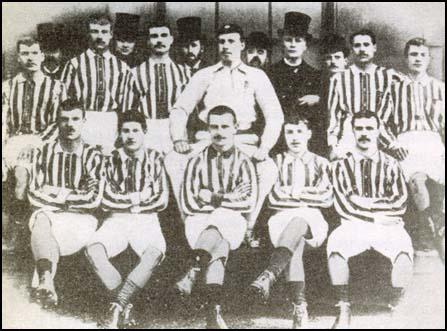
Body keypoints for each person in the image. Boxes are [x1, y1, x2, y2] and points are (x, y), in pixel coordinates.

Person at [166, 23, 283, 236]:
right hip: (209, 139)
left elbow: (275, 115)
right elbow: (180, 109)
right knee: (173, 160)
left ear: (242, 45)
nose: (226, 46)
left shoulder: (256, 75)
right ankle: (190, 224)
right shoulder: (205, 74)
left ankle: (248, 226)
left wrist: (265, 147)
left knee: (268, 170)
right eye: (222, 41)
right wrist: (178, 139)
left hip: (243, 141)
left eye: (231, 41)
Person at [175, 105, 257, 328]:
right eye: (214, 126)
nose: (219, 132)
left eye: (225, 126)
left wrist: (212, 197)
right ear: (208, 129)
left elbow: (248, 201)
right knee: (218, 247)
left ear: (235, 128)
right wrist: (228, 199)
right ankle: (214, 313)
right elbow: (189, 202)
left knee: (221, 219)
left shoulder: (244, 161)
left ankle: (193, 269)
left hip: (232, 221)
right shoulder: (196, 161)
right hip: (199, 221)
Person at [328, 111, 412, 329]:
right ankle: (344, 308)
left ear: (377, 131)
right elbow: (344, 206)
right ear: (353, 131)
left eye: (369, 128)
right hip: (353, 225)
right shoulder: (341, 165)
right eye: (359, 128)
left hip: (388, 226)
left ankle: (396, 309)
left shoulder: (392, 164)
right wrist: (380, 206)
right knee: (336, 247)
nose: (364, 133)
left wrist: (365, 204)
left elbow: (400, 202)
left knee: (403, 253)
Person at [85, 110, 169, 328]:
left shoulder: (156, 158)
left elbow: (161, 200)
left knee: (154, 253)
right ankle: (126, 305)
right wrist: (140, 197)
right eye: (125, 131)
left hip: (147, 220)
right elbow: (106, 200)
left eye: (135, 131)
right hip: (117, 220)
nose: (130, 136)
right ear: (119, 133)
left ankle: (117, 305)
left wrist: (128, 199)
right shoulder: (110, 159)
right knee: (94, 249)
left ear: (145, 132)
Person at [249, 113, 332, 328]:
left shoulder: (321, 162)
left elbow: (326, 197)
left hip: (312, 218)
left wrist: (293, 192)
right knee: (294, 249)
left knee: (300, 218)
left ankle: (270, 274)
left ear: (309, 134)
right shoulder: (275, 162)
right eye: (289, 132)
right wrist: (306, 192)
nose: (294, 137)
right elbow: (273, 197)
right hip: (280, 218)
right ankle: (300, 308)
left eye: (299, 132)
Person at [20, 99, 103, 308]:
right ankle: (46, 281)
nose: (70, 124)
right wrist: (74, 195)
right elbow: (33, 194)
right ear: (57, 122)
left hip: (81, 219)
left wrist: (57, 194)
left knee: (46, 225)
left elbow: (93, 199)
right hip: (49, 213)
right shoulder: (43, 152)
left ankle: (45, 285)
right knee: (41, 219)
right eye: (64, 119)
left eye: (75, 119)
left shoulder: (93, 154)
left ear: (84, 121)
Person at [382, 38, 445, 257]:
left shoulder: (440, 88)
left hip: (434, 142)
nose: (418, 59)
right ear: (406, 58)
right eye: (413, 54)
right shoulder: (393, 88)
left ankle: (440, 229)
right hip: (406, 141)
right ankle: (432, 232)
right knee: (417, 180)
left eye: (422, 55)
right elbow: (380, 121)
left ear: (429, 59)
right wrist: (391, 144)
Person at [2, 37, 66, 250]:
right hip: (13, 141)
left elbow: (60, 122)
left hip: (43, 140)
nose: (30, 58)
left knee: (23, 174)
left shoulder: (56, 86)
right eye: (25, 54)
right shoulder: (8, 87)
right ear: (19, 58)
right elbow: (4, 121)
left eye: (34, 53)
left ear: (42, 56)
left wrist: (38, 143)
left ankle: (19, 235)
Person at [327, 29, 402, 160]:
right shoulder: (339, 78)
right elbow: (334, 116)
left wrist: (394, 143)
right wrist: (333, 145)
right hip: (349, 137)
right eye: (357, 45)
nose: (362, 49)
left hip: (382, 138)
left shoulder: (389, 76)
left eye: (366, 45)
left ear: (374, 48)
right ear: (351, 50)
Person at [129, 20, 189, 154]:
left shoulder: (184, 72)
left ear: (171, 39)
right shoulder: (135, 73)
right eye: (154, 36)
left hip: (176, 130)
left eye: (164, 35)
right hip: (147, 129)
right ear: (148, 41)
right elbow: (130, 108)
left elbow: (188, 108)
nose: (159, 40)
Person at [269, 12, 322, 155]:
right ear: (282, 42)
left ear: (305, 45)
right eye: (288, 39)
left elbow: (324, 113)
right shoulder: (269, 73)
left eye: (298, 40)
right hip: (277, 141)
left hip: (306, 142)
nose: (293, 44)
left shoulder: (316, 75)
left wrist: (318, 100)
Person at [61, 14, 133, 113]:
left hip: (111, 118)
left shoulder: (122, 67)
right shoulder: (74, 64)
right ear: (88, 34)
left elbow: (126, 100)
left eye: (104, 32)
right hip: (81, 117)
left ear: (111, 34)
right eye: (95, 31)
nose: (100, 36)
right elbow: (63, 95)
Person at [318, 33, 350, 157]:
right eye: (328, 58)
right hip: (322, 139)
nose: (333, 62)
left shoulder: (351, 83)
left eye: (337, 57)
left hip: (345, 139)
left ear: (345, 61)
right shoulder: (320, 83)